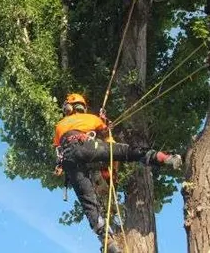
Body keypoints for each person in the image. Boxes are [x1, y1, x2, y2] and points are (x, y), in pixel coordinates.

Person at [54, 93, 182, 253]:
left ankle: (107, 241)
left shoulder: (59, 125)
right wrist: (104, 121)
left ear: (67, 108)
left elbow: (58, 148)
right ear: (82, 107)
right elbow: (106, 133)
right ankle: (163, 158)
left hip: (68, 160)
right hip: (87, 145)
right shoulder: (91, 118)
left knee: (88, 203)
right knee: (126, 151)